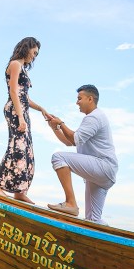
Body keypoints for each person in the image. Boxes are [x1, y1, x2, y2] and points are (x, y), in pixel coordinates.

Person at [43, 84, 117, 222]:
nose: (77, 102)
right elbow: (68, 142)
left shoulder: (94, 117)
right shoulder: (94, 118)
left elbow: (75, 139)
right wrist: (55, 128)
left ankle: (71, 203)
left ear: (90, 99)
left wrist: (61, 123)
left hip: (103, 166)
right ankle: (108, 242)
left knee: (58, 157)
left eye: (79, 98)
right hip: (104, 173)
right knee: (93, 220)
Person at [0, 37, 49, 203]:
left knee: (27, 151)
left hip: (22, 110)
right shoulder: (15, 64)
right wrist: (21, 117)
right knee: (17, 147)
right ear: (27, 47)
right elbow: (14, 92)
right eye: (34, 52)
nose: (34, 56)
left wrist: (41, 109)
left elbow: (24, 97)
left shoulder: (22, 68)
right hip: (16, 111)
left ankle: (20, 191)